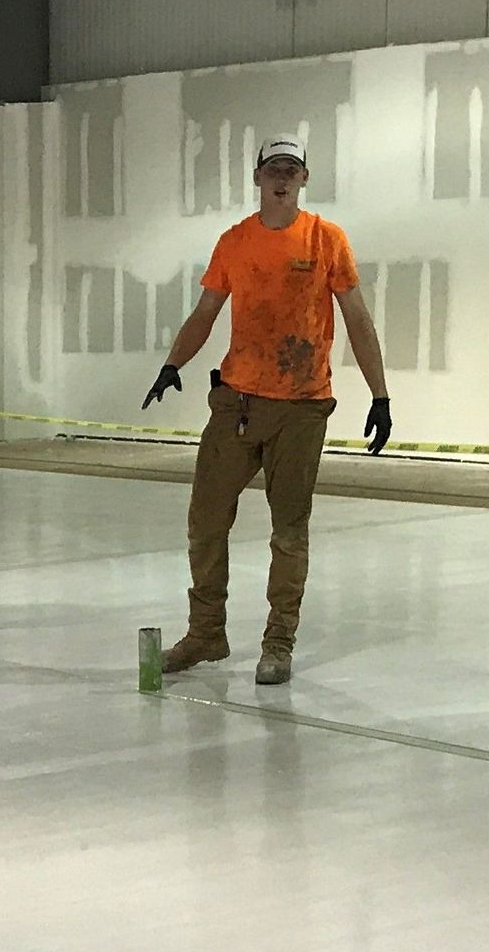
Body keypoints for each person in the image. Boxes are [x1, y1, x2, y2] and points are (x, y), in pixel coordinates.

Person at [142, 133, 393, 685]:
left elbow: (357, 319)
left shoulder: (327, 240)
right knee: (206, 519)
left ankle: (278, 642)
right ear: (257, 177)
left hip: (301, 407)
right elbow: (206, 311)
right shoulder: (234, 242)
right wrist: (172, 363)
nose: (282, 177)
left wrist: (380, 394)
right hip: (237, 402)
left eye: (292, 169)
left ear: (304, 179)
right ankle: (206, 632)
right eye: (273, 168)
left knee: (289, 530)